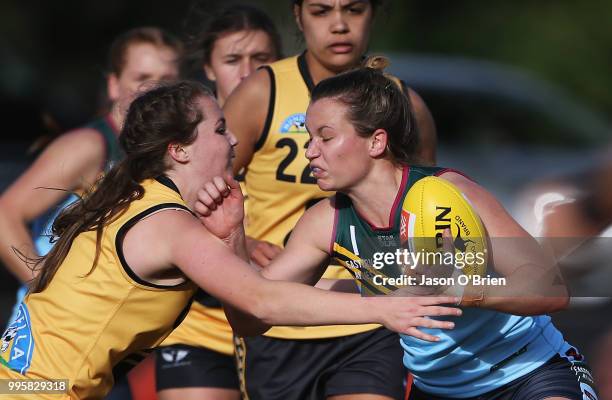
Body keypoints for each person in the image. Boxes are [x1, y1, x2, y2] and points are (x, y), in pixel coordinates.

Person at [0, 80, 461, 400]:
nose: (235, 138)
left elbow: (256, 297)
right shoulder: (169, 225)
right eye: (219, 129)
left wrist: (232, 237)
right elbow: (262, 303)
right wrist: (384, 309)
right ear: (179, 149)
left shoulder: (132, 198)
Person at [197, 62, 598, 400]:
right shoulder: (327, 221)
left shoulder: (446, 192)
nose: (309, 152)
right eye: (308, 138)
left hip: (528, 372)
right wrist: (231, 238)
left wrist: (461, 291)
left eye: (325, 137)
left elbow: (551, 288)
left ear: (376, 142)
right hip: (440, 389)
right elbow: (251, 316)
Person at [222, 1, 437, 398]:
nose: (339, 25)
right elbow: (202, 192)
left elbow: (426, 208)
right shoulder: (260, 92)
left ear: (373, 14)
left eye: (353, 10)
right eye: (322, 11)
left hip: (375, 326)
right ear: (298, 17)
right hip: (283, 318)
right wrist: (244, 245)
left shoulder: (405, 104)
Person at [0, 26, 182, 311]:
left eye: (167, 80)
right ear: (113, 85)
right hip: (51, 329)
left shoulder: (164, 152)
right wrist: (45, 287)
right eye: (142, 78)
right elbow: (4, 215)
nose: (154, 89)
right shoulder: (90, 145)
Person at [155, 5, 282, 400]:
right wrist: (243, 244)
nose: (247, 72)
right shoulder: (183, 142)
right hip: (198, 325)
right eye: (232, 59)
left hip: (279, 321)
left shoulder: (307, 135)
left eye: (261, 59)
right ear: (208, 67)